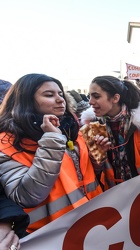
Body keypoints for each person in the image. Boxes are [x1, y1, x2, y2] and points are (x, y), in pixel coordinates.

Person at [0, 74, 103, 233]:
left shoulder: (72, 130)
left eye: (60, 94)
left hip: (91, 222)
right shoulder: (5, 143)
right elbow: (27, 196)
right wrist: (51, 139)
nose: (60, 99)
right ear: (25, 100)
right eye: (49, 95)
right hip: (51, 235)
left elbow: (82, 178)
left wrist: (98, 162)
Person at [81, 76, 140, 190]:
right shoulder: (91, 126)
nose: (90, 102)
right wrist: (96, 158)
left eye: (96, 96)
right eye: (89, 96)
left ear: (115, 98)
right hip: (111, 194)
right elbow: (92, 170)